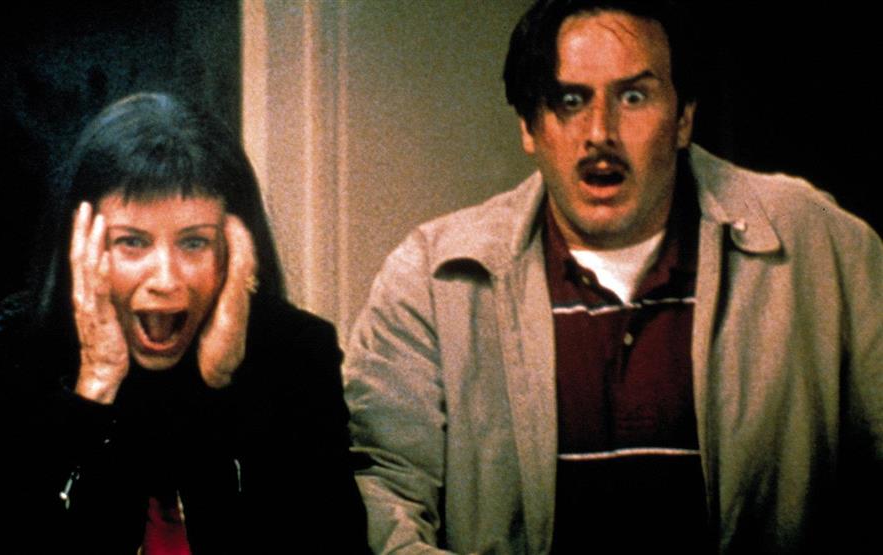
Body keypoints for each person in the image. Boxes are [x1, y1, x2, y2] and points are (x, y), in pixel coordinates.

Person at [343, 1, 882, 553]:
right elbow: (383, 496)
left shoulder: (820, 245)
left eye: (633, 97)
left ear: (683, 119)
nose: (600, 132)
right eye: (570, 101)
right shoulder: (433, 279)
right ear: (529, 127)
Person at [0, 92, 369, 553]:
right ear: (80, 244)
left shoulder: (298, 353)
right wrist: (91, 395)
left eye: (194, 243)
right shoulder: (7, 353)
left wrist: (223, 390)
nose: (166, 280)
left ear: (235, 247)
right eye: (132, 242)